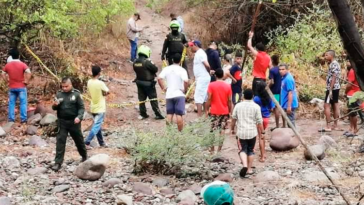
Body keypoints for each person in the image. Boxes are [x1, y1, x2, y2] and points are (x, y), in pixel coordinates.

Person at [51, 77, 87, 171]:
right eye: (63, 86)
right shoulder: (59, 94)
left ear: (70, 85)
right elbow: (54, 108)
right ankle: (58, 162)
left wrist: (79, 117)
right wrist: (55, 104)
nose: (64, 88)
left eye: (66, 86)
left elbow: (81, 108)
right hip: (62, 122)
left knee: (79, 140)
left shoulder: (76, 94)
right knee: (60, 142)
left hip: (74, 122)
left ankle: (84, 156)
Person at [231, 89, 263, 178]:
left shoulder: (238, 106)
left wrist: (232, 128)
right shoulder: (256, 107)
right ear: (253, 96)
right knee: (251, 150)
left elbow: (233, 118)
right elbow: (259, 121)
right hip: (252, 132)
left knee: (242, 150)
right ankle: (249, 169)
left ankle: (244, 165)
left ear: (243, 96)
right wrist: (263, 131)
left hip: (241, 132)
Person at [158, 53, 189, 131]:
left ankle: (169, 133)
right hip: (179, 94)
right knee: (179, 115)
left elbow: (159, 78)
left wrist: (163, 88)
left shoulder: (167, 69)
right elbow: (186, 81)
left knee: (169, 114)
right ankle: (180, 132)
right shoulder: (182, 70)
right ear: (180, 61)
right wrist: (185, 90)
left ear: (172, 60)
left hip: (169, 94)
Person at [133, 45, 164, 120]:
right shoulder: (147, 62)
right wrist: (151, 62)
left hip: (139, 82)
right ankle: (158, 114)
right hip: (149, 84)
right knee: (153, 99)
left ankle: (143, 114)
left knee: (141, 99)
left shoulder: (135, 62)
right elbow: (155, 69)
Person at [1, 48, 31, 123]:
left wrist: (6, 80)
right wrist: (26, 81)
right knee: (23, 103)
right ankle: (23, 119)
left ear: (11, 56)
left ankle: (11, 119)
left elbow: (3, 73)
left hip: (12, 87)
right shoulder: (22, 64)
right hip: (21, 87)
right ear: (19, 56)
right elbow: (29, 72)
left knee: (11, 103)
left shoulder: (8, 65)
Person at [206, 69, 232, 152]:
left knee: (212, 130)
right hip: (224, 111)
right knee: (222, 130)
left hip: (213, 111)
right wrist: (230, 110)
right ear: (223, 76)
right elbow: (230, 100)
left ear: (215, 75)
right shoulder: (228, 86)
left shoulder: (211, 85)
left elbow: (209, 98)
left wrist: (206, 109)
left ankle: (212, 150)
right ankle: (219, 151)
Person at [84, 65, 109, 149]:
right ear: (99, 73)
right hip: (100, 107)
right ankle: (87, 142)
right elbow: (107, 91)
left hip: (93, 107)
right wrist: (104, 94)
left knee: (97, 125)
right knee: (96, 126)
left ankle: (102, 143)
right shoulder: (100, 83)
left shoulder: (89, 82)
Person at [253, 81, 274, 162]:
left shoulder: (256, 98)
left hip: (259, 119)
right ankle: (263, 152)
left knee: (260, 137)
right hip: (266, 118)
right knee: (263, 135)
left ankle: (262, 156)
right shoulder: (268, 98)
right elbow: (272, 108)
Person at [190, 40, 211, 117]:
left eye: (192, 46)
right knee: (204, 97)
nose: (191, 47)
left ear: (196, 45)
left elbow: (207, 65)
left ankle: (199, 117)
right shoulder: (199, 53)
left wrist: (208, 72)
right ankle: (205, 115)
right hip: (202, 77)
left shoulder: (200, 53)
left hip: (202, 78)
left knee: (198, 97)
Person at [321, 50, 341, 132]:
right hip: (335, 87)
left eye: (326, 55)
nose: (325, 57)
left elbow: (334, 77)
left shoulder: (334, 64)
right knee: (335, 105)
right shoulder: (332, 64)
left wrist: (330, 90)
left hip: (332, 88)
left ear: (331, 56)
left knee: (326, 105)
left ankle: (328, 125)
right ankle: (335, 125)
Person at [247, 31, 271, 96]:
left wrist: (250, 37)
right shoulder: (268, 57)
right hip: (263, 80)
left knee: (256, 96)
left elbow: (249, 46)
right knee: (261, 96)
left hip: (257, 79)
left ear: (258, 50)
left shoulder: (258, 55)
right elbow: (270, 67)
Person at [344, 60, 360, 137]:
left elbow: (349, 85)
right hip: (356, 93)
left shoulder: (352, 71)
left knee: (353, 112)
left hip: (353, 94)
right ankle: (351, 128)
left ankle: (354, 129)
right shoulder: (356, 70)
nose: (347, 63)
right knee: (350, 111)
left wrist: (345, 92)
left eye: (348, 61)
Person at [268, 54, 283, 130]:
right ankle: (284, 125)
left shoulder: (272, 70)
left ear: (272, 61)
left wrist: (267, 87)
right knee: (282, 108)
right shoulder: (281, 69)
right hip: (281, 91)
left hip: (275, 91)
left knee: (276, 109)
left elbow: (272, 81)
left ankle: (277, 126)